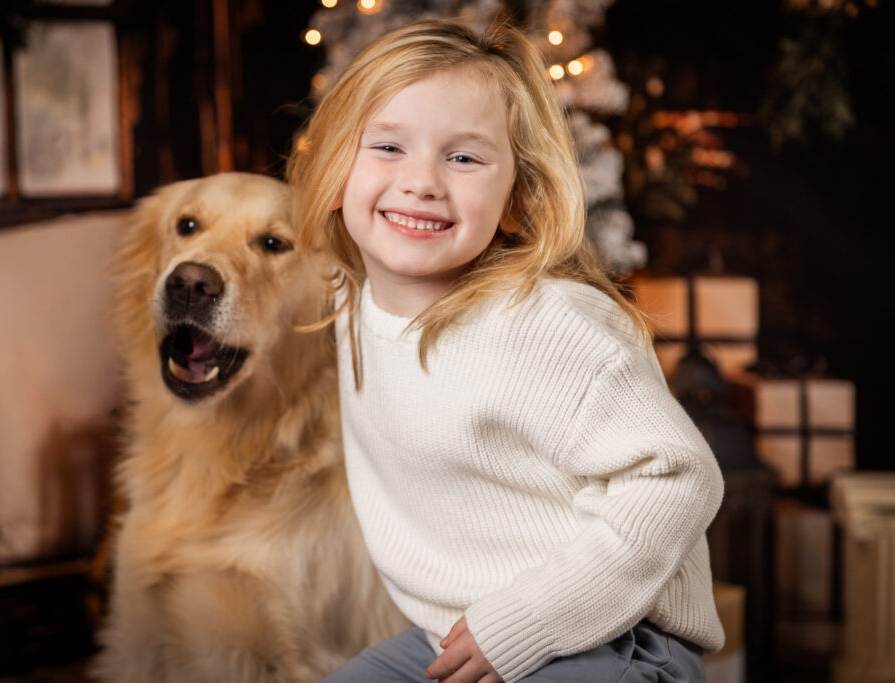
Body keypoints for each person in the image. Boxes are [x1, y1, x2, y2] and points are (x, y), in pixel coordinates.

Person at [287, 18, 725, 683]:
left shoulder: (545, 324)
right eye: (388, 147)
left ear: (517, 198)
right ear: (335, 169)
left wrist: (532, 618)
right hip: (456, 633)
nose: (421, 181)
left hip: (611, 634)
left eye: (463, 158)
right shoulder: (350, 297)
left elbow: (679, 476)